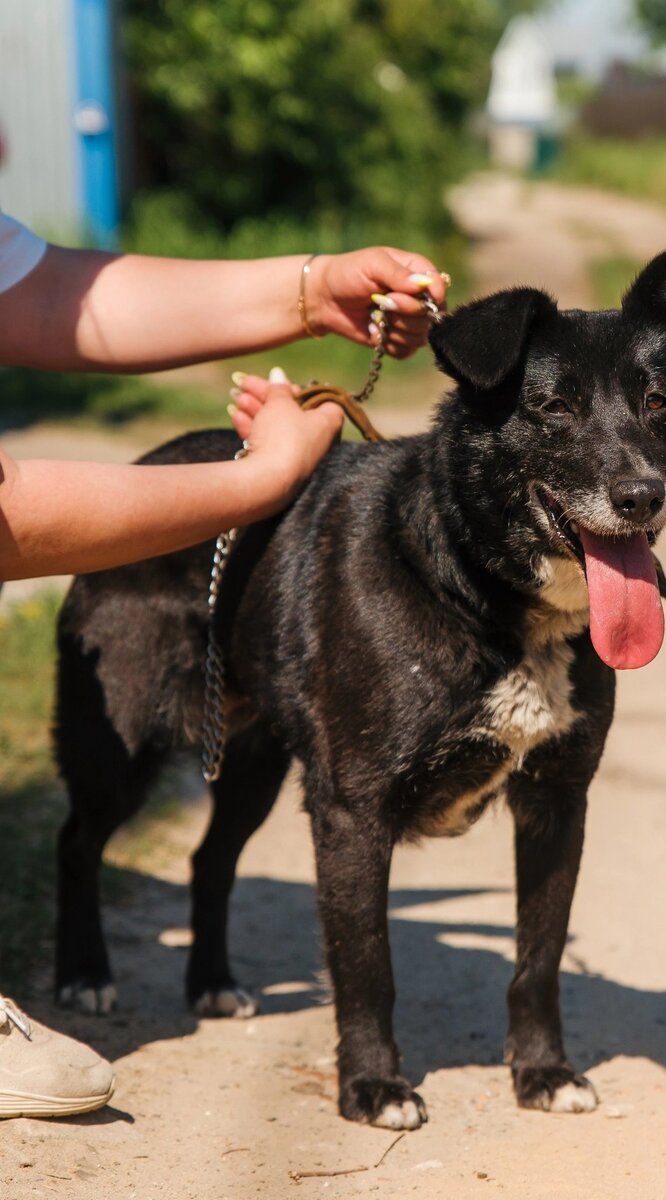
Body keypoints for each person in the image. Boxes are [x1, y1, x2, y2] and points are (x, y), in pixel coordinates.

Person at [0, 207, 446, 1117]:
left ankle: (207, 946)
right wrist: (261, 478)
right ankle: (78, 928)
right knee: (108, 787)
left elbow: (43, 292)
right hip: (165, 561)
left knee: (244, 790)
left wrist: (312, 291)